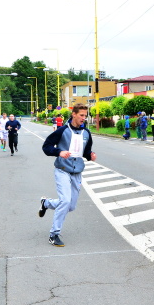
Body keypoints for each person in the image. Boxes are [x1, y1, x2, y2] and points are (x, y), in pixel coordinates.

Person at [38, 104, 97, 247]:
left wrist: (90, 155)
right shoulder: (62, 130)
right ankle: (54, 234)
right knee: (65, 201)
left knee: (70, 206)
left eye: (85, 115)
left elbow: (86, 151)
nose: (84, 118)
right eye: (81, 115)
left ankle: (46, 203)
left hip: (77, 172)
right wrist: (59, 152)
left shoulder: (86, 133)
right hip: (62, 169)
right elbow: (46, 147)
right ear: (74, 114)